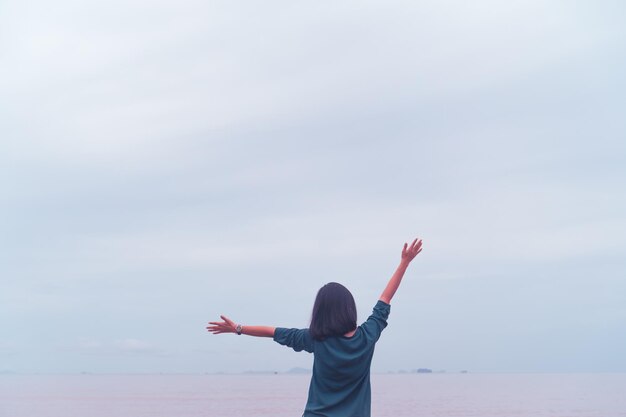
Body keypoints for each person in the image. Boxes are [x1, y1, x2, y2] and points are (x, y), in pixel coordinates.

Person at [207, 238, 423, 417]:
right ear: (349, 308)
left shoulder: (315, 339)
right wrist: (404, 262)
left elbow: (272, 332)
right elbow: (385, 299)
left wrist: (238, 328)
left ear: (320, 312)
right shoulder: (367, 336)